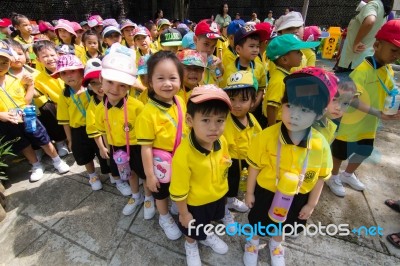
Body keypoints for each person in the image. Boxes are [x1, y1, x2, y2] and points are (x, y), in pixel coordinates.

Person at [243, 67, 335, 266]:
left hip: (297, 195)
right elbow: (254, 167)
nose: (294, 115)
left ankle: (276, 244)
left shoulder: (320, 145)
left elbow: (320, 177)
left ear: (319, 114)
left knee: (283, 223)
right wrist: (249, 192)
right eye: (289, 106)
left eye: (304, 110)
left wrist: (311, 204)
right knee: (258, 220)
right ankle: (253, 241)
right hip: (266, 190)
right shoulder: (266, 136)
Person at [328, 19, 400, 197]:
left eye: (399, 52)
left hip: (370, 123)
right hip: (352, 122)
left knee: (364, 150)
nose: (395, 55)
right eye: (393, 50)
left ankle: (348, 174)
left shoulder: (387, 70)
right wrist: (378, 112)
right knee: (340, 152)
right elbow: (351, 99)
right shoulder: (362, 70)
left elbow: (390, 91)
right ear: (377, 45)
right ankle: (333, 176)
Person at [169, 84, 232, 266]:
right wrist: (183, 213)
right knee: (191, 228)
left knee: (207, 221)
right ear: (190, 120)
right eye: (205, 120)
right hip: (195, 203)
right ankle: (191, 244)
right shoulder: (184, 154)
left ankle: (206, 234)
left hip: (217, 196)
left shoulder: (222, 141)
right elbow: (179, 190)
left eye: (220, 120)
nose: (214, 128)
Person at [94, 47, 155, 217]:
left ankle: (148, 197)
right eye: (110, 82)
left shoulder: (137, 107)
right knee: (129, 174)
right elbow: (103, 131)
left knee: (143, 174)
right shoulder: (100, 109)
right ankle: (136, 196)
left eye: (122, 85)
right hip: (117, 149)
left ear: (129, 86)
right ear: (101, 79)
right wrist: (105, 147)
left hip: (137, 147)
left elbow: (148, 133)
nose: (115, 89)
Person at [0, 40, 69, 182]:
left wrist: (30, 85)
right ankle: (36, 165)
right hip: (8, 121)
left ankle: (57, 160)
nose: (1, 66)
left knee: (43, 138)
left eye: (4, 62)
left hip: (27, 116)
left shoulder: (14, 80)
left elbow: (26, 100)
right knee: (24, 144)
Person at [135, 51, 186, 241]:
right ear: (150, 82)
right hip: (160, 163)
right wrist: (149, 175)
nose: (167, 83)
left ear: (180, 80)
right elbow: (145, 147)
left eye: (173, 78)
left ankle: (174, 205)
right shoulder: (147, 114)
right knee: (161, 192)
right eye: (160, 78)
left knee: (179, 185)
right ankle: (164, 217)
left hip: (180, 158)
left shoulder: (180, 101)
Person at [54, 54, 107, 192]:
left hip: (98, 127)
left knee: (103, 151)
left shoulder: (93, 88)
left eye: (72, 71)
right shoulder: (65, 94)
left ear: (81, 71)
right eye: (63, 73)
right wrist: (70, 139)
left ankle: (112, 173)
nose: (69, 76)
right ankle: (92, 175)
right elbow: (65, 120)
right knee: (84, 155)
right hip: (78, 130)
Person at [222, 71, 262, 227]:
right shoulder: (225, 120)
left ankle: (231, 201)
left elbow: (260, 137)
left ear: (253, 102)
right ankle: (224, 209)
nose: (237, 105)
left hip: (246, 160)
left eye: (243, 100)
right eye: (232, 99)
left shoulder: (251, 119)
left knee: (238, 184)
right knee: (228, 185)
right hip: (229, 162)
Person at [263, 34, 320, 127]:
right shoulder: (279, 80)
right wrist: (272, 129)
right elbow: (272, 107)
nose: (302, 54)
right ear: (284, 59)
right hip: (276, 122)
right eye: (298, 52)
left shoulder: (285, 75)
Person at [220, 23, 272, 125]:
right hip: (235, 112)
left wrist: (255, 103)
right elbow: (225, 93)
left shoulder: (259, 67)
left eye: (257, 46)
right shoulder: (230, 69)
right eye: (252, 46)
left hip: (254, 111)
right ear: (238, 49)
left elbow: (261, 88)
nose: (256, 50)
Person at [336, 0, 392, 72]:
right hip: (364, 58)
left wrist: (357, 42)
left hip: (355, 59)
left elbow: (370, 21)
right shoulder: (383, 7)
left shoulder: (373, 4)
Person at [314, 77, 356, 144]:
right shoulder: (308, 126)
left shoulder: (330, 125)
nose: (339, 108)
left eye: (345, 103)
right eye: (334, 99)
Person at [194, 19, 224, 86]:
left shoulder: (213, 60)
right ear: (195, 40)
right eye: (206, 44)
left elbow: (220, 78)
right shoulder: (189, 61)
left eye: (213, 46)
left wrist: (220, 66)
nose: (209, 50)